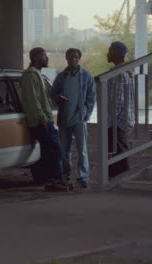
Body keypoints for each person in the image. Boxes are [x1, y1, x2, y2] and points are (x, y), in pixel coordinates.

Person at [20, 47, 67, 192]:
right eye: (44, 55)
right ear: (35, 57)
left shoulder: (38, 75)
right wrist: (44, 120)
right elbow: (33, 101)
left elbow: (42, 99)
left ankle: (56, 180)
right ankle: (54, 181)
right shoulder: (30, 75)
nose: (47, 58)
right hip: (41, 121)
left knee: (52, 150)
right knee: (53, 150)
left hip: (45, 119)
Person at [51, 48, 96, 189]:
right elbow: (52, 94)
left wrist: (86, 114)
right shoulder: (61, 77)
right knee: (64, 150)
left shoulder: (86, 76)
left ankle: (83, 177)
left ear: (79, 59)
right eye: (71, 57)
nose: (74, 59)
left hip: (79, 118)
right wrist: (57, 98)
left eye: (76, 57)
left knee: (82, 150)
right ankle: (65, 176)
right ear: (66, 58)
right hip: (64, 117)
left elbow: (91, 98)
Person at [106, 41, 135, 177]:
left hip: (116, 121)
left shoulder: (118, 73)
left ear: (118, 54)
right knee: (117, 152)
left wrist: (109, 119)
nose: (108, 53)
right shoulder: (125, 72)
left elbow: (117, 100)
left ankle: (120, 180)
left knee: (117, 153)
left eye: (110, 50)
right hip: (122, 119)